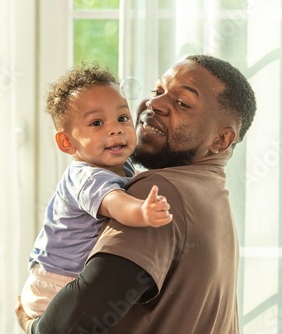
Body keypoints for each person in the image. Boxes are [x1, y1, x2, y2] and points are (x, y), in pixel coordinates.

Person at [16, 54, 257, 333]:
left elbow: (70, 325)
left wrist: (30, 324)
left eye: (182, 103)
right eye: (157, 91)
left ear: (221, 139)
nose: (154, 104)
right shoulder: (211, 194)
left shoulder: (159, 193)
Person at [21, 62, 173, 320]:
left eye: (122, 118)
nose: (115, 128)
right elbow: (116, 203)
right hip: (55, 282)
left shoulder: (123, 166)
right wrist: (143, 212)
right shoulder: (87, 176)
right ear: (67, 142)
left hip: (66, 276)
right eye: (97, 122)